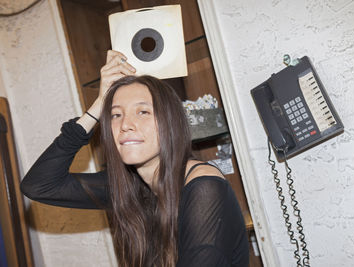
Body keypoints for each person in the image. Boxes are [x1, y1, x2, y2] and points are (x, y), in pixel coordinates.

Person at [20, 50, 249, 267]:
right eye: (116, 115)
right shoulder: (128, 186)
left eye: (143, 112)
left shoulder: (204, 189)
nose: (125, 125)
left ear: (170, 123)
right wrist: (99, 104)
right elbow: (39, 185)